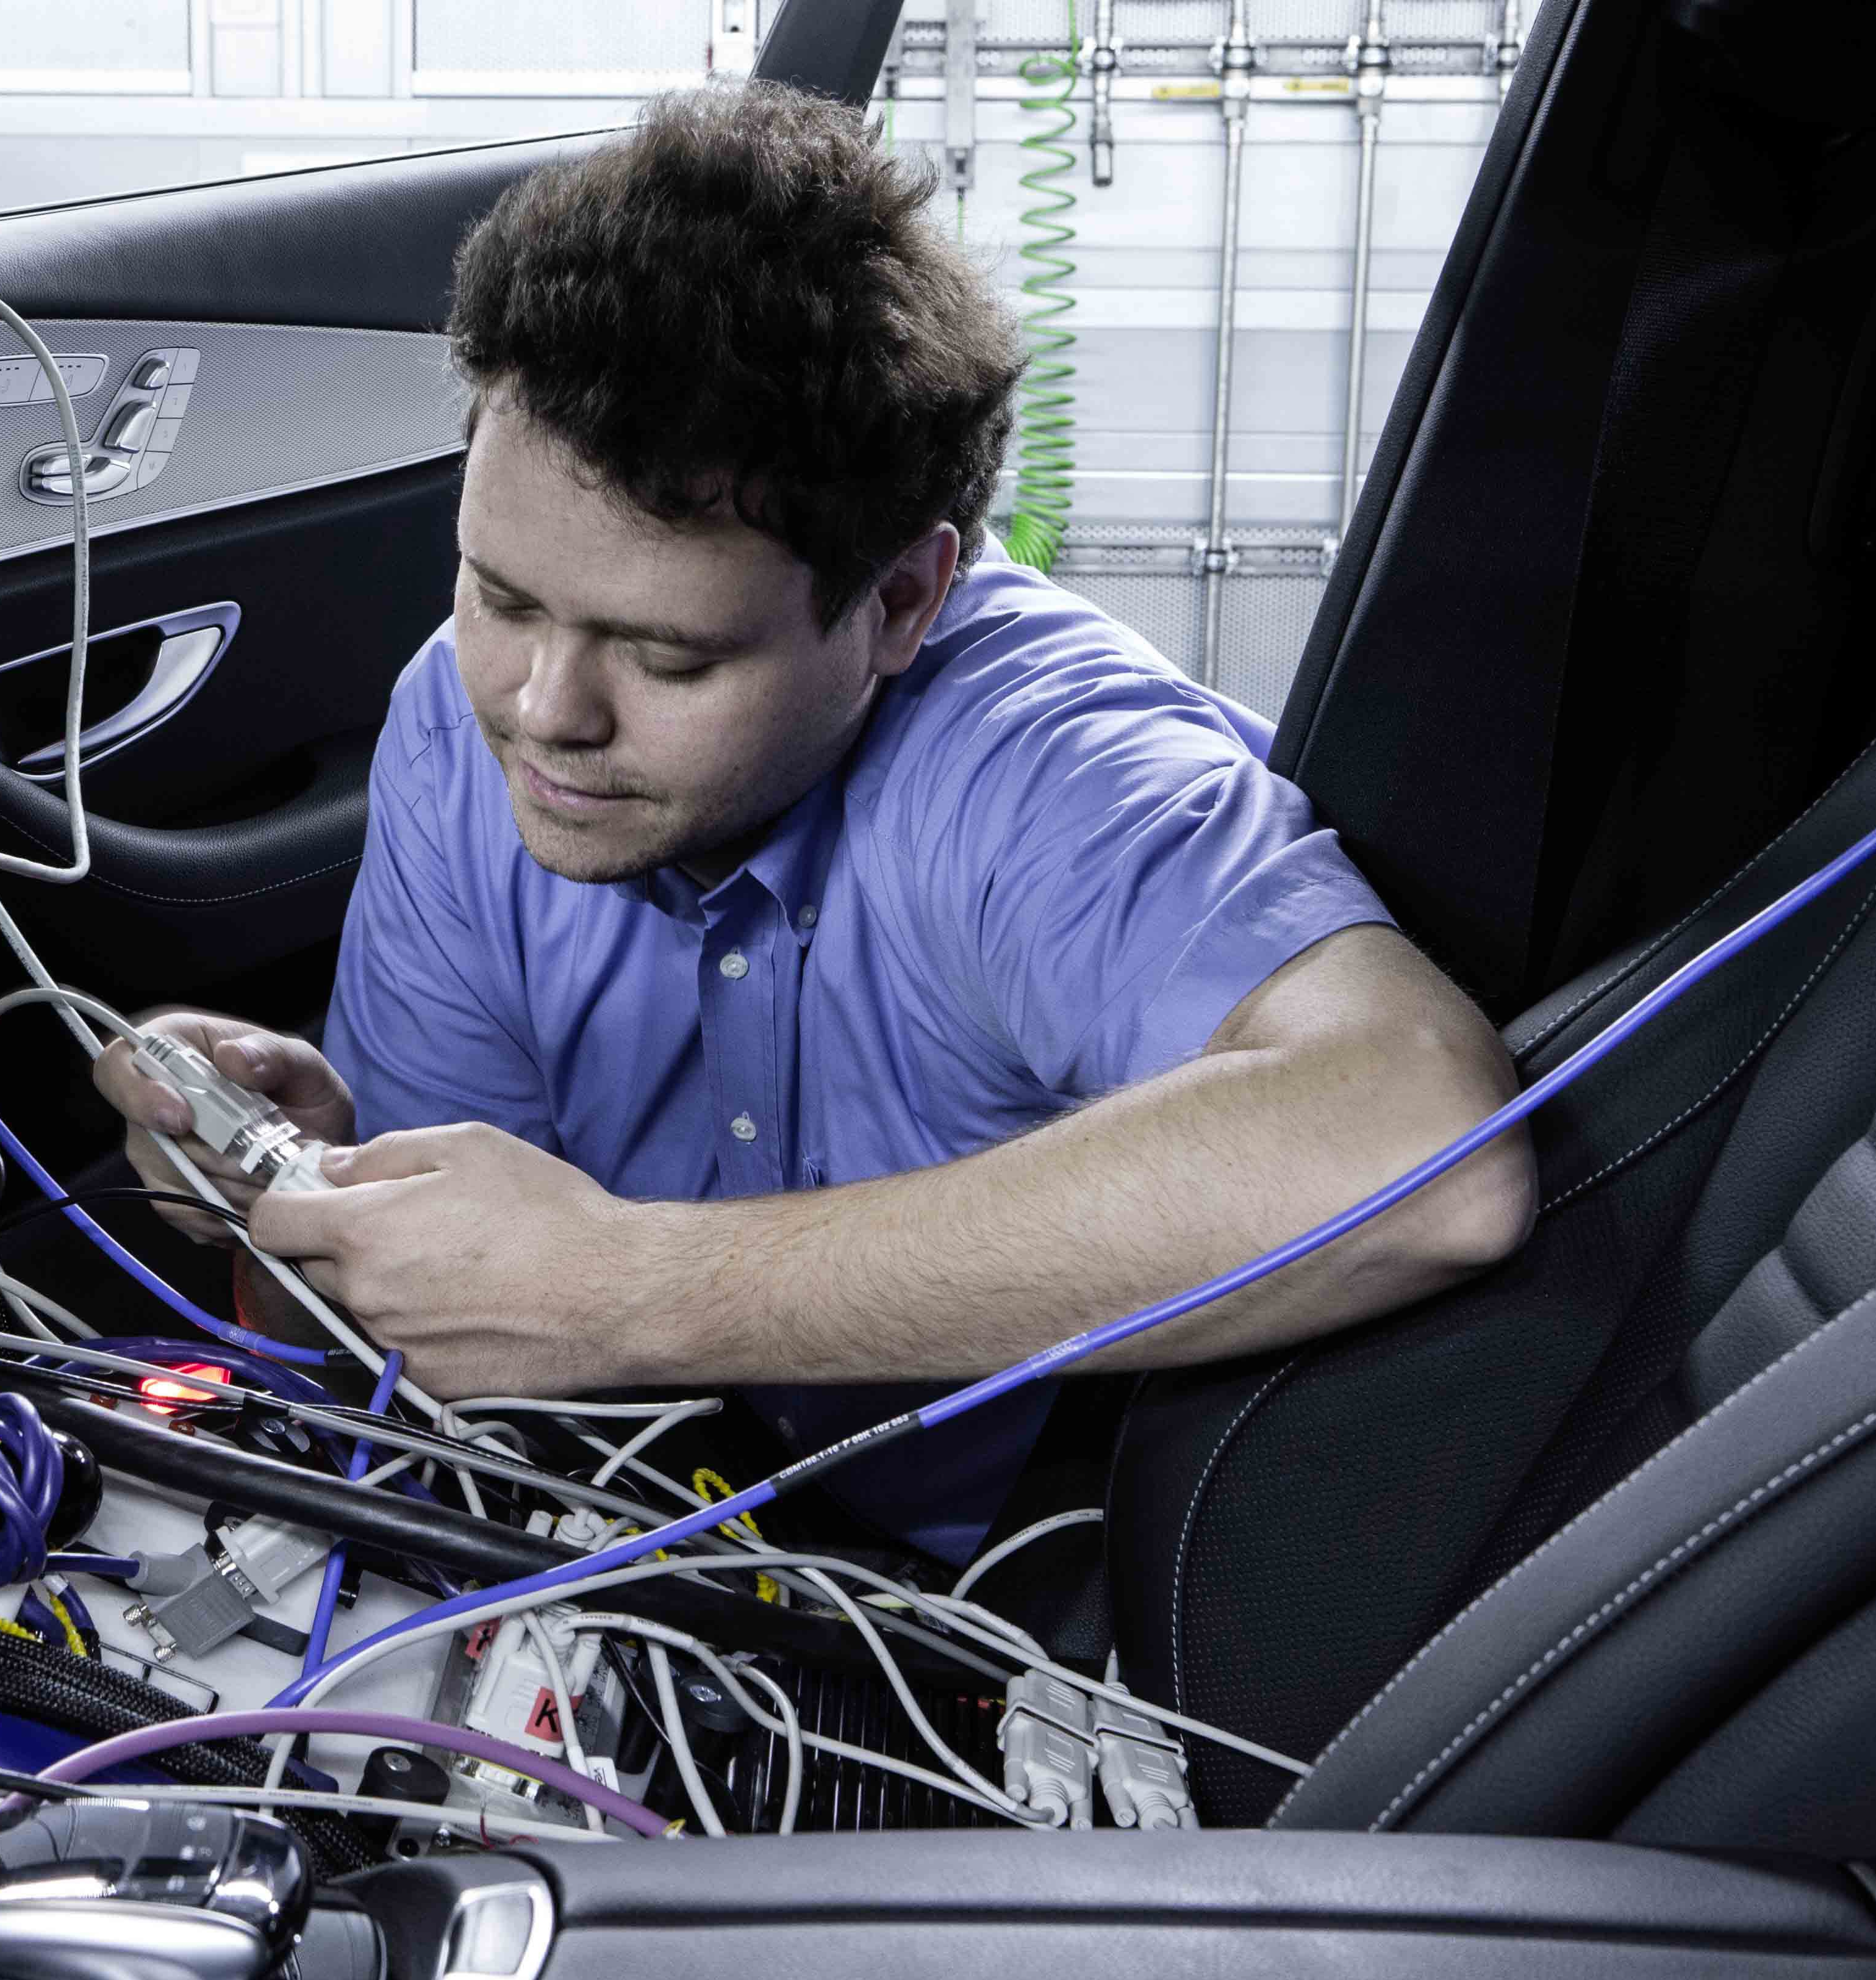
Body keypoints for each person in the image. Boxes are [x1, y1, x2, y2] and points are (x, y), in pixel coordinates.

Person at [92, 81, 1531, 1562]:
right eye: (500, 598)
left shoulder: (1048, 766)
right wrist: (301, 1196)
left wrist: (631, 1291)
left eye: (669, 658)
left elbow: (1424, 1145)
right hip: (638, 1546)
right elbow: (411, 1363)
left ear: (902, 600)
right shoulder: (458, 732)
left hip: (1037, 1596)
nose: (542, 711)